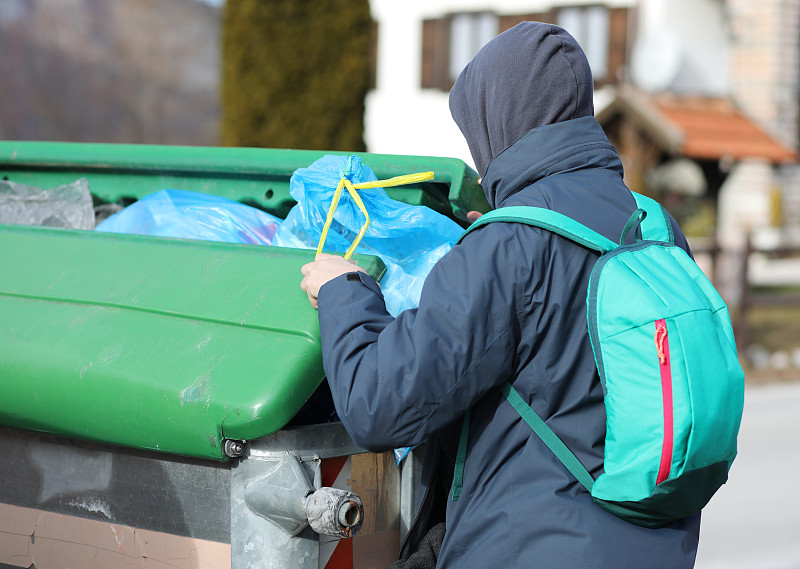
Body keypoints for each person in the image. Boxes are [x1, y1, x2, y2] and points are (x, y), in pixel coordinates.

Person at [300, 22, 700, 568]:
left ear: (497, 119)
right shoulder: (654, 227)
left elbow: (378, 405)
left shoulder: (508, 246)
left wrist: (344, 292)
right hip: (650, 548)